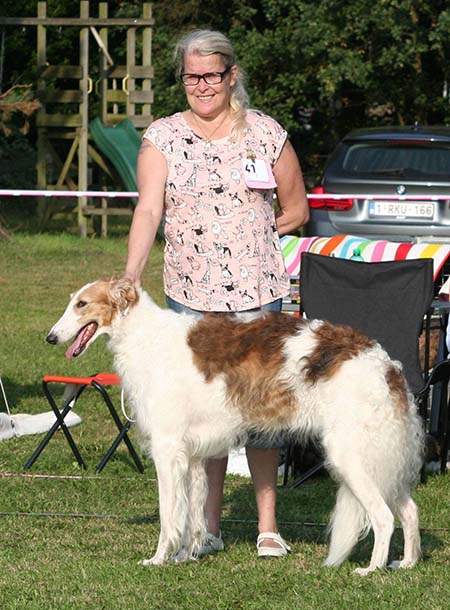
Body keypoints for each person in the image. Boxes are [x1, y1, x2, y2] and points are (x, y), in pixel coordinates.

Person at [124, 29, 309, 558]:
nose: (202, 85)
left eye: (211, 75)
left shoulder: (266, 133)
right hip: (190, 294)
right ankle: (207, 527)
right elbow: (148, 209)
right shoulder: (162, 136)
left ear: (231, 76)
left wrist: (254, 235)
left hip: (257, 292)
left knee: (261, 407)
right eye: (192, 76)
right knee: (202, 411)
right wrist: (132, 273)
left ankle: (268, 526)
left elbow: (297, 209)